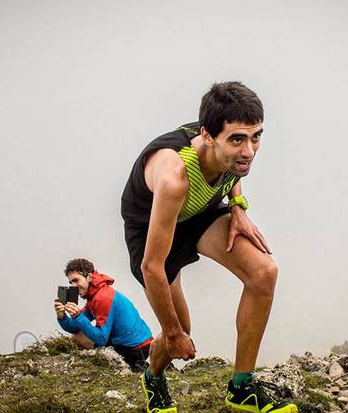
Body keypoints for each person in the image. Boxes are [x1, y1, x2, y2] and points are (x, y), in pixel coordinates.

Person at [121, 82, 297, 412]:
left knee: (264, 272)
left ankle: (241, 386)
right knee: (180, 327)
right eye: (237, 140)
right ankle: (153, 377)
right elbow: (151, 267)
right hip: (154, 228)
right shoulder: (174, 177)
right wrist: (173, 334)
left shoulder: (232, 152)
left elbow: (233, 167)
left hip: (199, 210)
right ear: (207, 135)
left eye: (255, 136)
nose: (249, 150)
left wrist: (237, 207)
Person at [53, 258, 153, 372]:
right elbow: (74, 328)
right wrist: (62, 317)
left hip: (135, 348)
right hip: (139, 343)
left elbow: (101, 339)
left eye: (76, 280)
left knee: (79, 337)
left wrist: (78, 316)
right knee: (78, 335)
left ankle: (132, 363)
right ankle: (129, 363)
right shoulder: (94, 295)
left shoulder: (102, 298)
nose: (73, 286)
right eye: (71, 282)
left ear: (89, 277)